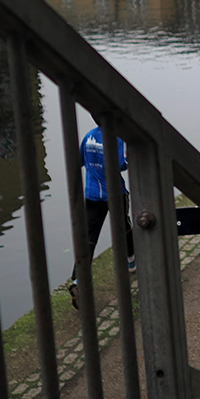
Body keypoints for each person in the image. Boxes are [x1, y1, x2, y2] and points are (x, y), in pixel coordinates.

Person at [69, 125, 136, 309]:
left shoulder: (89, 136)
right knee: (124, 226)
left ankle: (77, 280)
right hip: (114, 193)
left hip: (92, 194)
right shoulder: (117, 137)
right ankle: (132, 262)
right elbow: (121, 164)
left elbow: (79, 160)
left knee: (89, 238)